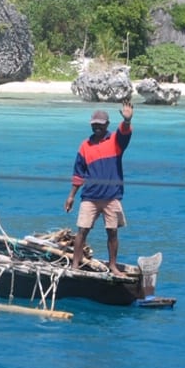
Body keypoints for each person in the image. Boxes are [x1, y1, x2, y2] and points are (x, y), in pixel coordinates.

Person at [64, 101, 134, 277]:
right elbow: (78, 173)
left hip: (111, 196)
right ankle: (75, 264)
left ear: (107, 125)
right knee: (82, 230)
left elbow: (125, 133)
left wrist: (126, 120)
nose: (97, 127)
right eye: (94, 124)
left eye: (100, 125)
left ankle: (113, 266)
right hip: (90, 196)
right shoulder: (84, 146)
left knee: (112, 232)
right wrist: (71, 196)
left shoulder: (115, 142)